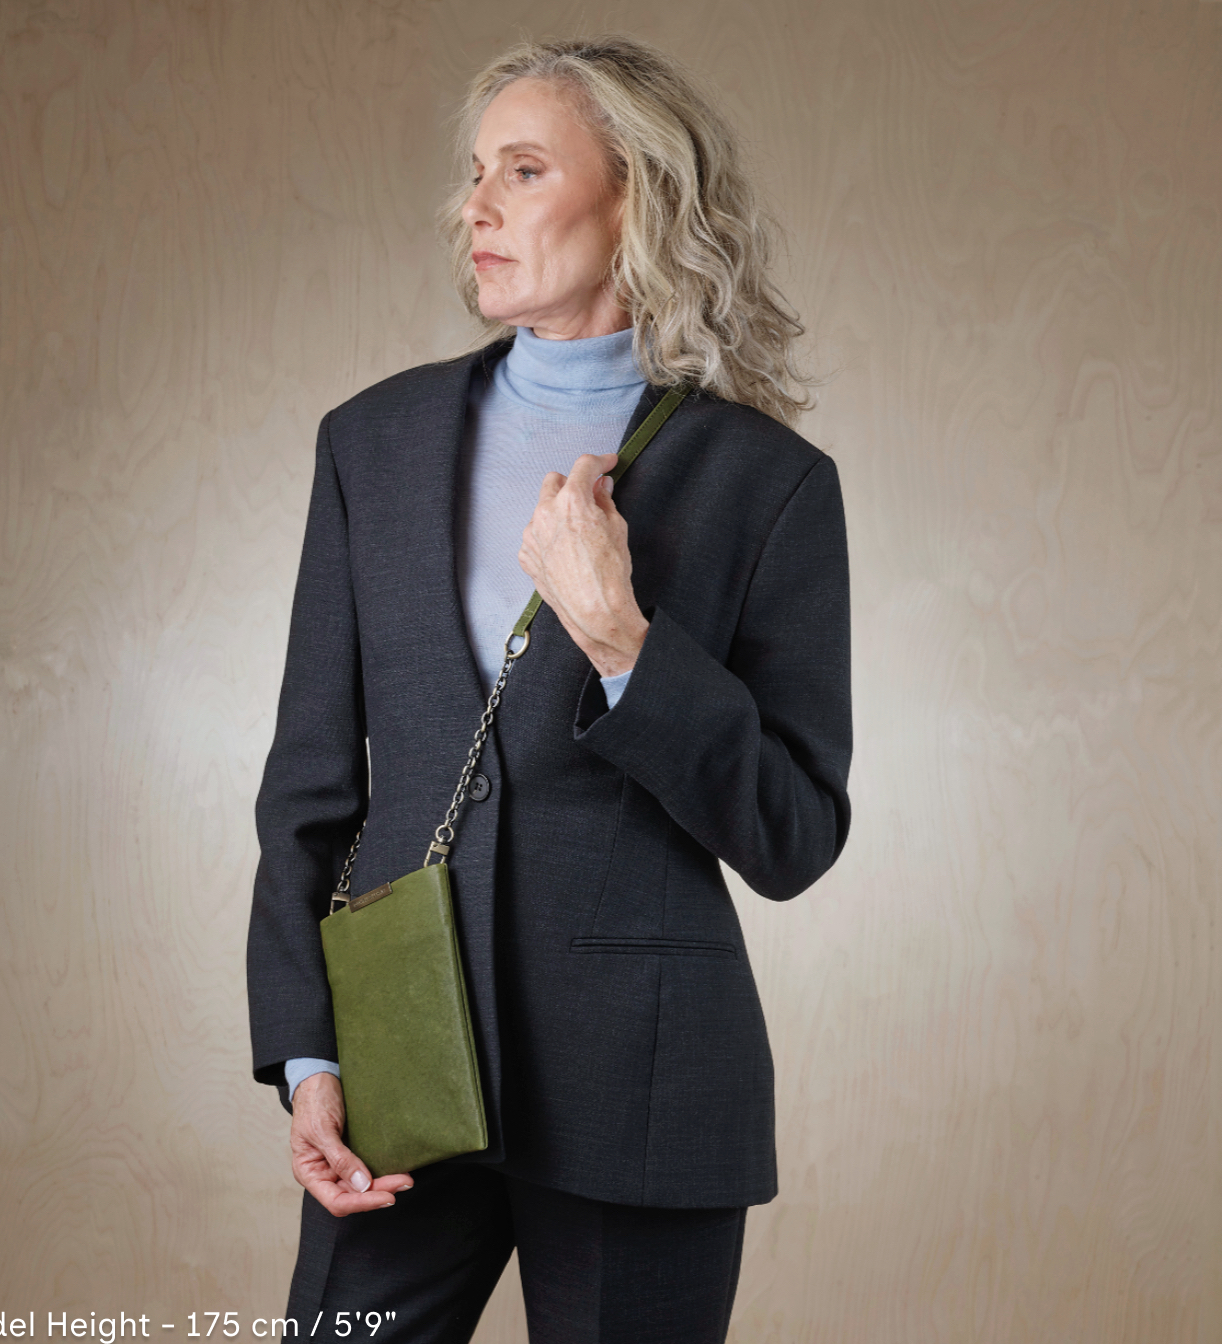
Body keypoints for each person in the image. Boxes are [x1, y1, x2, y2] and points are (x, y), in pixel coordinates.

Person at [246, 33, 852, 1344]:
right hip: (400, 1074)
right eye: (475, 172)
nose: (475, 206)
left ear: (639, 195)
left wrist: (625, 641)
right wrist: (308, 1052)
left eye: (523, 170)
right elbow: (307, 794)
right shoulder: (371, 445)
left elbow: (796, 834)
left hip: (645, 1092)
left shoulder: (768, 484)